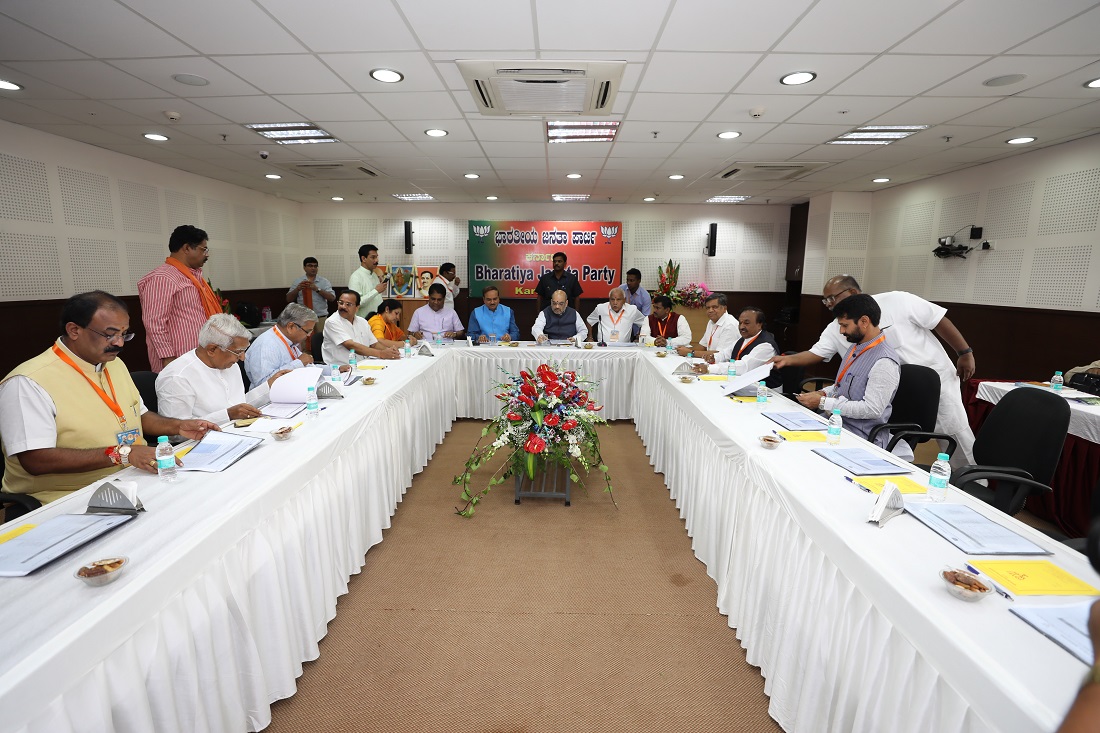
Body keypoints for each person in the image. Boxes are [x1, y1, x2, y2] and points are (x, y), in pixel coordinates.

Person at [0, 291, 218, 505]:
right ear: (74, 330)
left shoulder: (113, 364)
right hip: (67, 499)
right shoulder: (28, 382)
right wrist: (122, 453)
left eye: (124, 334)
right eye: (110, 334)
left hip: (133, 479)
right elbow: (36, 460)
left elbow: (139, 415)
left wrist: (178, 426)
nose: (120, 343)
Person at [771, 274, 977, 466]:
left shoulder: (897, 301)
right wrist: (786, 361)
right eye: (825, 301)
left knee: (954, 433)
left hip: (932, 378)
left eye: (832, 298)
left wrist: (964, 352)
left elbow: (938, 320)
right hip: (885, 390)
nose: (829, 304)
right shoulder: (839, 326)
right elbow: (817, 353)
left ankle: (974, 483)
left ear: (851, 293)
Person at [795, 294, 902, 450]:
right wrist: (823, 393)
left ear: (864, 321)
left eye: (845, 325)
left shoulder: (884, 361)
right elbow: (842, 387)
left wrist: (824, 403)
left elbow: (872, 409)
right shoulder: (855, 348)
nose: (841, 331)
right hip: (835, 423)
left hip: (859, 436)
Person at [157, 314, 289, 424]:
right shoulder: (177, 376)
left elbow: (239, 406)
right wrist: (228, 415)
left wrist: (269, 386)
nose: (242, 358)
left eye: (244, 351)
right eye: (238, 352)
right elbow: (174, 433)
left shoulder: (230, 364)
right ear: (212, 349)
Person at [137, 224, 222, 373]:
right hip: (179, 361)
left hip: (203, 357)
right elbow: (154, 323)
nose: (207, 255)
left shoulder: (195, 278)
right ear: (187, 248)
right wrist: (168, 357)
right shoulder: (162, 278)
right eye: (204, 249)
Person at [693, 307, 782, 388]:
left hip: (766, 391)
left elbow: (744, 367)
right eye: (740, 323)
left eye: (746, 323)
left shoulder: (766, 346)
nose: (741, 326)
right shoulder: (743, 339)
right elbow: (725, 353)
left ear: (759, 324)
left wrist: (709, 368)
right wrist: (714, 358)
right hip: (744, 385)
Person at [244, 303, 316, 386]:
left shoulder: (289, 341)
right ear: (291, 327)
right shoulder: (266, 344)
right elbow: (264, 384)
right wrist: (299, 363)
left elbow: (305, 364)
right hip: (271, 398)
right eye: (307, 331)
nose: (309, 335)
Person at [322, 290, 400, 363]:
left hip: (363, 365)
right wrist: (381, 353)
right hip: (340, 369)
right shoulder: (332, 322)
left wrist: (389, 351)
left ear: (357, 307)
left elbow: (374, 344)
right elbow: (351, 345)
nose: (343, 307)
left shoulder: (362, 321)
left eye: (348, 304)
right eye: (341, 303)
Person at [677, 293, 738, 359]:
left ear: (724, 308)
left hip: (725, 365)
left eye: (714, 307)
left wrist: (690, 352)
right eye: (708, 308)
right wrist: (683, 349)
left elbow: (720, 355)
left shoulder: (730, 325)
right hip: (710, 360)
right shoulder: (711, 322)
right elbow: (703, 346)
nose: (710, 310)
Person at [287, 256, 335, 324]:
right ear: (304, 268)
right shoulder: (298, 281)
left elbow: (332, 298)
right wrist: (297, 289)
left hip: (320, 318)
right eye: (310, 266)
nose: (313, 268)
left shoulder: (324, 281)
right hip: (303, 318)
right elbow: (288, 299)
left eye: (315, 266)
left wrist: (317, 289)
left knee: (320, 335)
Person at [347, 244, 387, 319]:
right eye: (373, 257)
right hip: (364, 322)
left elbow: (376, 299)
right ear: (363, 258)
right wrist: (376, 291)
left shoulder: (374, 275)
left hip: (378, 320)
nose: (377, 260)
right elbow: (356, 303)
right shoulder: (356, 277)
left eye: (377, 257)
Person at [620, 268, 651, 341]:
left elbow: (645, 318)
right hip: (622, 323)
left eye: (632, 280)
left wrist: (640, 334)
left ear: (639, 281)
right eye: (627, 280)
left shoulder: (645, 296)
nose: (629, 283)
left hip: (636, 326)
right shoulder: (621, 289)